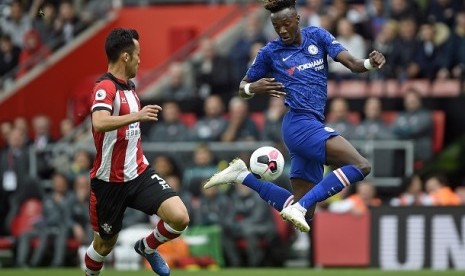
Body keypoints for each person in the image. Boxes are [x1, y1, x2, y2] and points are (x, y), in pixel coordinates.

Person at [204, 0, 385, 232]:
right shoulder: (270, 52)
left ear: (297, 20)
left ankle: (243, 176)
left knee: (304, 211)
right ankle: (298, 208)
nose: (282, 31)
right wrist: (252, 88)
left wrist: (370, 63)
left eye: (286, 24)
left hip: (312, 123)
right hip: (299, 125)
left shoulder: (317, 36)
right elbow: (242, 87)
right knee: (361, 166)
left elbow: (353, 64)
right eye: (277, 27)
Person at [85, 28, 189, 276]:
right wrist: (138, 116)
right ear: (125, 57)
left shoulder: (130, 87)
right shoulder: (105, 87)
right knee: (104, 245)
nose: (140, 60)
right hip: (109, 182)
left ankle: (147, 247)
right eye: (138, 54)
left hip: (139, 173)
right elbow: (99, 122)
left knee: (180, 218)